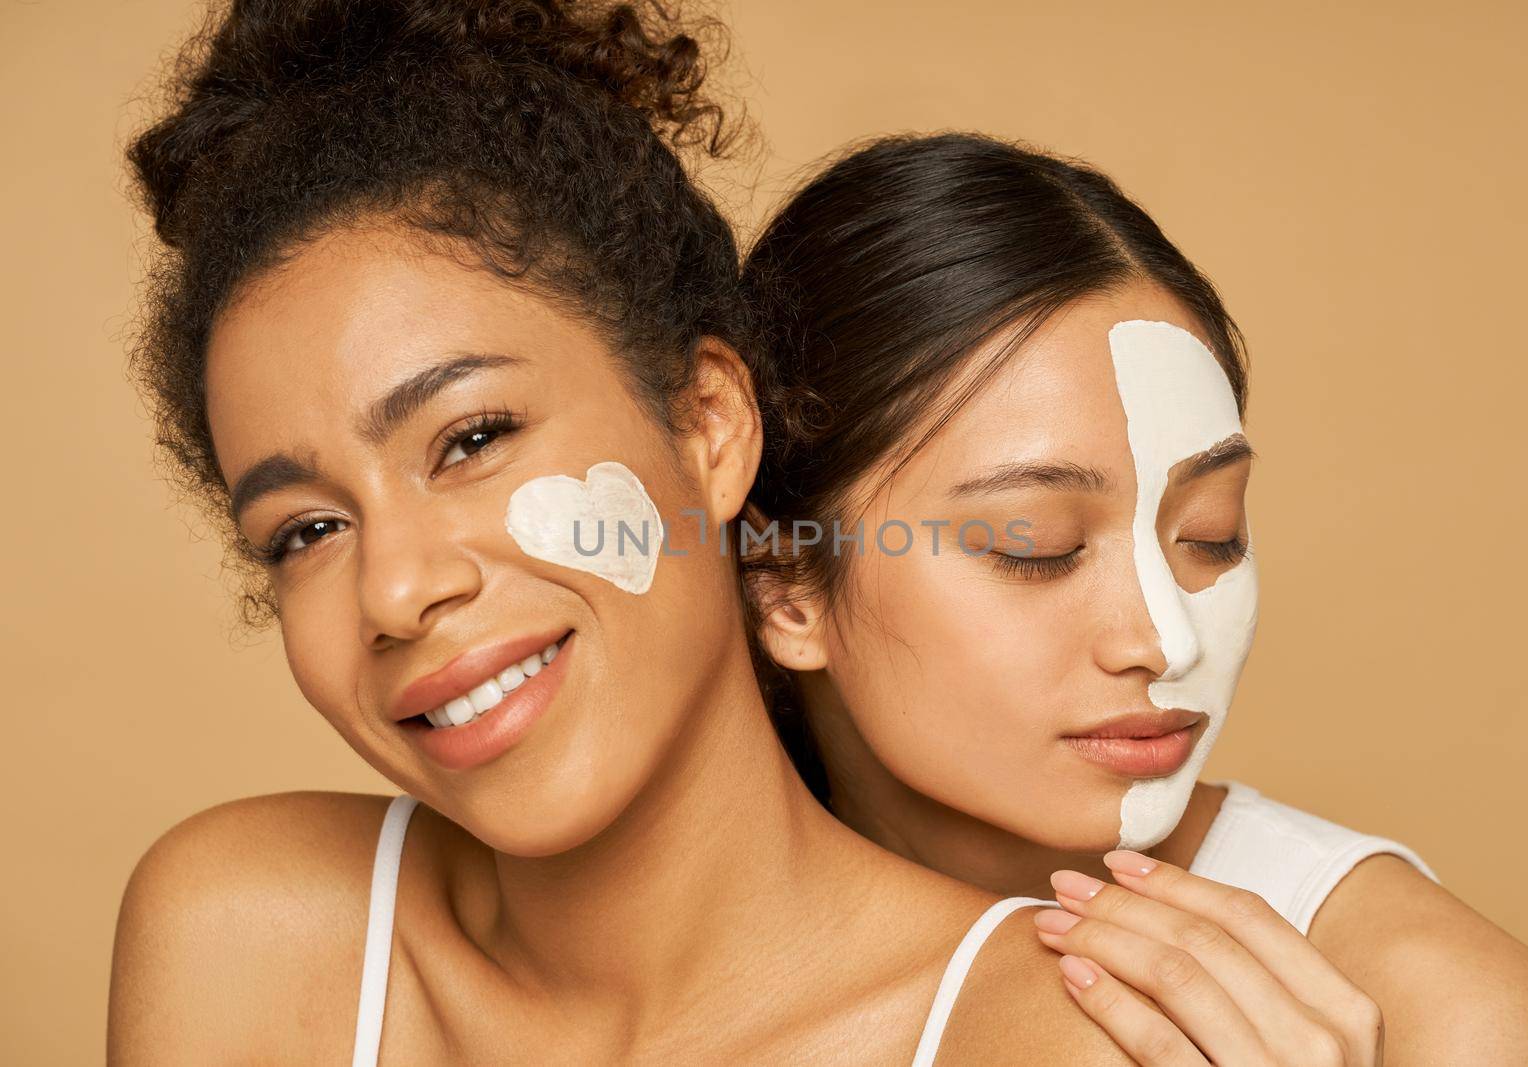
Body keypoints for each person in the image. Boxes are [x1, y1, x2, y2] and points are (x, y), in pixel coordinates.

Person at [106, 6, 1133, 1064]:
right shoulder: (246, 944)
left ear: (706, 425)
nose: (394, 590)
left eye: (471, 438)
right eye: (307, 529)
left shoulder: (1056, 1034)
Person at [738, 132, 1528, 1062]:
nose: (1164, 638)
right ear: (786, 589)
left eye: (1212, 533)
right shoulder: (643, 956)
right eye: (1038, 547)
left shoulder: (1440, 1006)